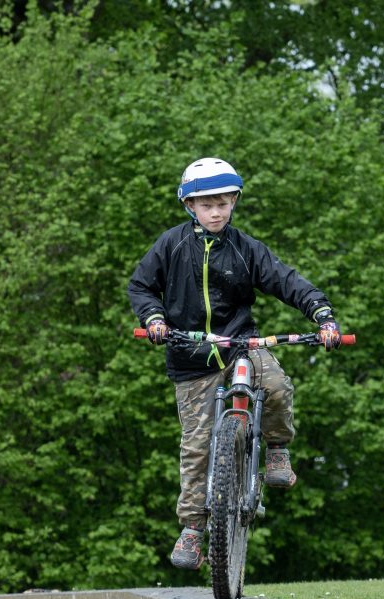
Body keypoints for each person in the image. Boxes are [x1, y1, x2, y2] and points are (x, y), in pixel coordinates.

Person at [128, 157, 341, 570]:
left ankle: (277, 450)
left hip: (241, 345)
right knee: (196, 446)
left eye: (224, 204)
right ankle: (192, 529)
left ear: (234, 203)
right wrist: (153, 319)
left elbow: (285, 280)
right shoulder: (171, 245)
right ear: (190, 206)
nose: (216, 212)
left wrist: (322, 313)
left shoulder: (245, 249)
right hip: (191, 357)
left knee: (277, 385)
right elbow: (141, 286)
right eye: (207, 205)